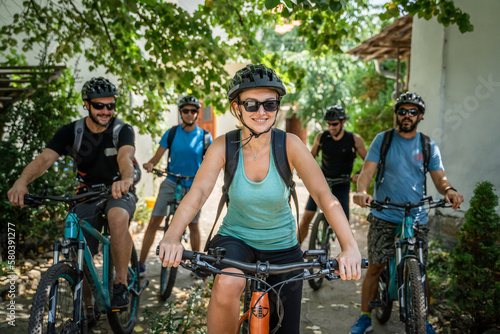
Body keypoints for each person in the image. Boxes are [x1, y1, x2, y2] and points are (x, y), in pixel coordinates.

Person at [158, 64, 362, 334]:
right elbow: (197, 194)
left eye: (270, 104)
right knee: (228, 283)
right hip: (236, 239)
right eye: (251, 104)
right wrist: (172, 237)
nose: (261, 112)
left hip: (283, 247)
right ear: (236, 107)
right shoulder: (223, 146)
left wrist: (350, 247)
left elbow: (325, 196)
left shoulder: (289, 144)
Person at [7, 77, 137, 326]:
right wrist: (22, 182)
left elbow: (126, 157)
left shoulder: (122, 130)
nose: (106, 111)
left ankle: (120, 283)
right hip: (86, 192)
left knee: (118, 217)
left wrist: (126, 179)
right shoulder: (71, 131)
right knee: (80, 247)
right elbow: (44, 160)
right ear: (86, 105)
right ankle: (88, 308)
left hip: (118, 189)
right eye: (99, 106)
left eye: (111, 106)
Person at [349, 92, 464, 334]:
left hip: (417, 217)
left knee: (420, 270)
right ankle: (364, 317)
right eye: (402, 111)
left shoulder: (427, 145)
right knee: (376, 266)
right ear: (396, 114)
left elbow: (439, 178)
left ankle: (424, 319)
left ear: (420, 116)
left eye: (413, 112)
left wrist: (449, 190)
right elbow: (367, 172)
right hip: (385, 213)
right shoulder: (383, 140)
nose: (407, 115)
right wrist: (362, 191)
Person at [139, 95, 213, 276]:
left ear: (197, 114)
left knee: (193, 225)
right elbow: (157, 157)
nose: (189, 114)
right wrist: (150, 164)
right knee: (154, 220)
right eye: (186, 111)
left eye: (193, 111)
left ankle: (196, 267)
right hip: (171, 181)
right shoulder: (172, 133)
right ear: (181, 113)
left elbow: (211, 161)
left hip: (193, 185)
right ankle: (139, 265)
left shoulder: (204, 136)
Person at [298, 105, 367, 243]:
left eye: (334, 124)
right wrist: (303, 169)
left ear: (342, 122)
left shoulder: (354, 139)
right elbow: (311, 157)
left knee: (344, 226)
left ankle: (343, 260)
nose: (331, 127)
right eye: (328, 124)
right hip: (322, 181)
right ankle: (293, 252)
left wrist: (359, 173)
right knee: (306, 217)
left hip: (342, 183)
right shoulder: (322, 137)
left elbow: (368, 162)